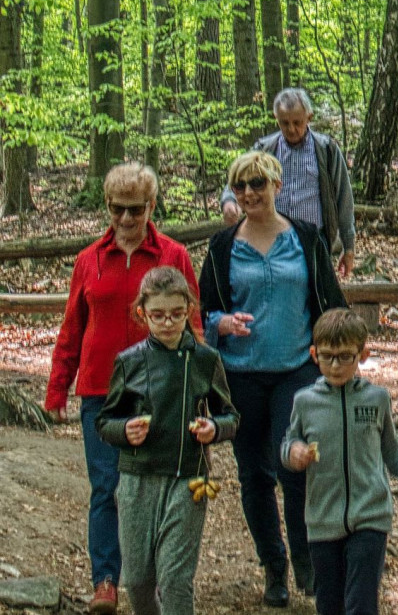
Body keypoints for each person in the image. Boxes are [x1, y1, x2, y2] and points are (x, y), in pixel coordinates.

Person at [45, 163, 202, 615]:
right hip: (101, 389)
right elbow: (72, 328)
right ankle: (106, 581)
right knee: (107, 486)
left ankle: (149, 576)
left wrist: (199, 389)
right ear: (107, 208)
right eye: (118, 209)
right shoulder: (88, 259)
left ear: (152, 206)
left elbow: (192, 323)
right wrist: (58, 388)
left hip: (162, 389)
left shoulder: (172, 255)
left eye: (136, 209)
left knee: (154, 484)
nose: (127, 218)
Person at [200, 151, 348, 607]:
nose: (249, 194)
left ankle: (306, 560)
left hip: (296, 371)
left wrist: (341, 352)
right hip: (241, 374)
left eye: (258, 184)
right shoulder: (222, 246)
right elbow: (204, 310)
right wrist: (220, 324)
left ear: (278, 186)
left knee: (295, 467)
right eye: (241, 186)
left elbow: (330, 300)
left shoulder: (305, 238)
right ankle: (274, 567)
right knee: (255, 476)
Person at [96, 267, 238, 615]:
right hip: (137, 477)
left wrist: (214, 428)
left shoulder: (205, 360)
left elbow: (231, 416)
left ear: (189, 309)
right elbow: (105, 421)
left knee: (175, 578)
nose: (168, 323)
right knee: (138, 579)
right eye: (157, 315)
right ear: (142, 313)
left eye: (177, 314)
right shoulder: (129, 361)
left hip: (187, 476)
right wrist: (125, 429)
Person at [282, 309, 398, 615]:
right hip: (323, 519)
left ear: (363, 354)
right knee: (329, 605)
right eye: (327, 357)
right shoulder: (305, 402)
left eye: (345, 356)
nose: (335, 365)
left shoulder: (376, 399)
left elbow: (392, 450)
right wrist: (294, 453)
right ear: (314, 355)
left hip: (370, 515)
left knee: (362, 605)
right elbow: (288, 444)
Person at [220, 88, 357, 277]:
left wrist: (348, 246)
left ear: (309, 117)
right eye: (285, 123)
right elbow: (236, 180)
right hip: (270, 239)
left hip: (314, 240)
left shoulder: (326, 150)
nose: (291, 129)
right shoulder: (265, 149)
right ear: (276, 118)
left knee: (315, 299)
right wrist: (229, 201)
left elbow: (344, 198)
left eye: (297, 122)